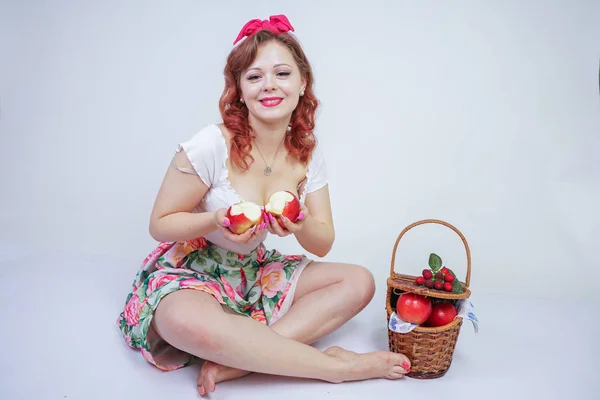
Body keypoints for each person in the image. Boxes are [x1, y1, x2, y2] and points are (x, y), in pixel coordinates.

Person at [116, 14, 411, 396]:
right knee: (180, 321)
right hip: (195, 270)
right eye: (254, 77)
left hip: (254, 272)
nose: (268, 85)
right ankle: (335, 369)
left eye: (282, 74)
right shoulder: (211, 143)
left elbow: (322, 242)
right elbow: (160, 223)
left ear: (303, 82)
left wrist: (299, 225)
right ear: (239, 89)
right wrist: (214, 220)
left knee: (359, 281)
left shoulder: (306, 151)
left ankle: (235, 362)